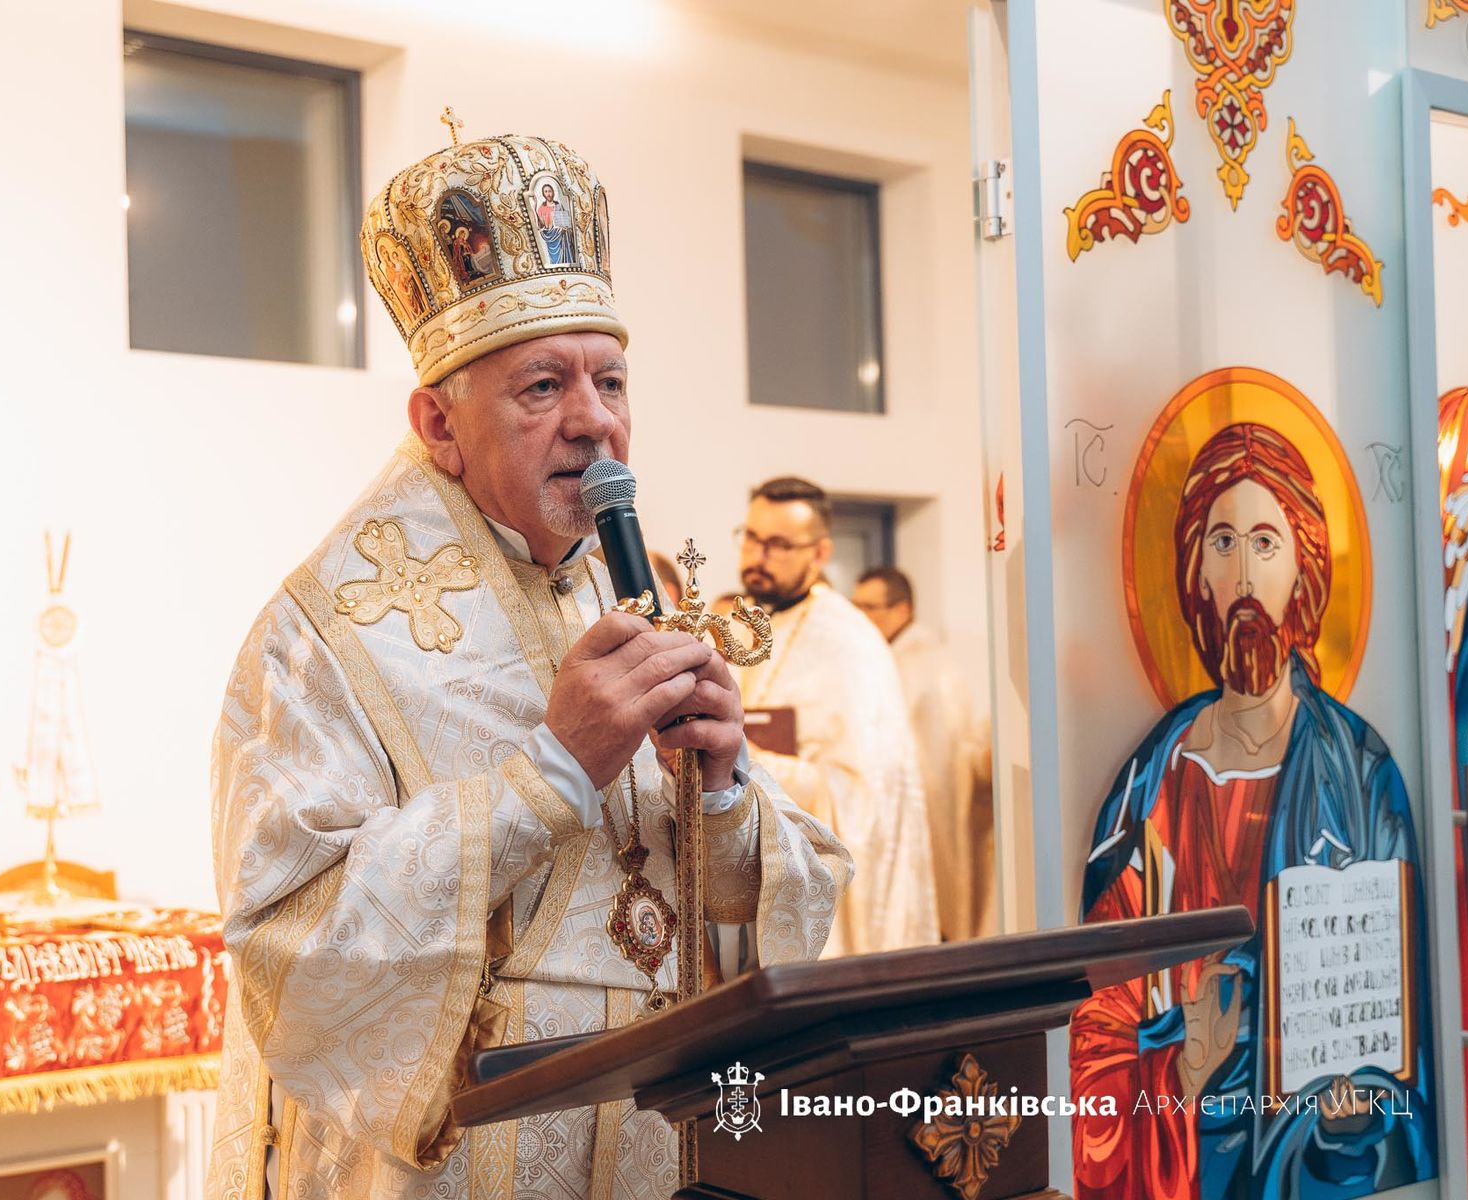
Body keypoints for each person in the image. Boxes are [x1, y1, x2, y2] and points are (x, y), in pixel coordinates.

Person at [210, 130, 848, 1200]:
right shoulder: (324, 637)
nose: (595, 422)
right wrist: (550, 772)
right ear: (438, 424)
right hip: (464, 1157)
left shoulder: (636, 593)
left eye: (611, 381)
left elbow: (770, 903)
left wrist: (729, 791)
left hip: (656, 1134)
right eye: (543, 386)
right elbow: (291, 947)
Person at [1072, 423, 1436, 1198]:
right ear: (1194, 572)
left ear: (1302, 568)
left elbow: (1394, 1018)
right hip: (1184, 1143)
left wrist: (1352, 1114)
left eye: (1266, 544)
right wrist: (1178, 1064)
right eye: (1223, 542)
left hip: (1306, 1152)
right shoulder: (1153, 777)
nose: (1243, 574)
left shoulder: (1359, 770)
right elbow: (1096, 1016)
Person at [731, 477, 937, 955]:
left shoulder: (851, 642)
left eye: (779, 544)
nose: (758, 557)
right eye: (753, 537)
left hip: (821, 898)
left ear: (820, 552)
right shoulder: (748, 625)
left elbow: (867, 801)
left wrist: (750, 760)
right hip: (751, 871)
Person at [852, 567, 994, 942]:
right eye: (856, 606)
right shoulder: (882, 658)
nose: (861, 617)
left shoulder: (924, 665)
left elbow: (938, 758)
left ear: (902, 610)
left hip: (927, 817)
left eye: (870, 607)